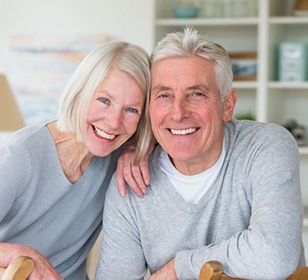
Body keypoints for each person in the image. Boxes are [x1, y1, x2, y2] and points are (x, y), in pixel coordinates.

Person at [95, 27, 305, 280]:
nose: (178, 113)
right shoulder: (130, 181)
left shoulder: (265, 147)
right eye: (164, 95)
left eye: (196, 94)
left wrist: (179, 267)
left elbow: (274, 257)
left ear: (227, 105)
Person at [0, 40, 152, 280]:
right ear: (80, 92)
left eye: (131, 110)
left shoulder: (117, 160)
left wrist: (140, 147)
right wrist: (21, 254)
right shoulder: (22, 156)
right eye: (104, 100)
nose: (114, 122)